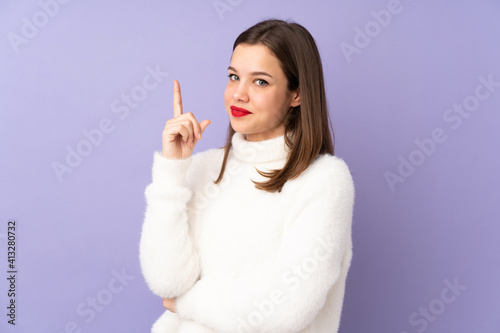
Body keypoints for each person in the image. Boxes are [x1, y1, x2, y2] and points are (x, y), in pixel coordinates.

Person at [139, 18, 355, 333]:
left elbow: (280, 309)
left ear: (296, 94)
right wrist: (172, 172)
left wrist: (187, 303)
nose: (238, 94)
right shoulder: (202, 168)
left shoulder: (324, 181)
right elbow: (166, 280)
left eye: (260, 82)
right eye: (234, 76)